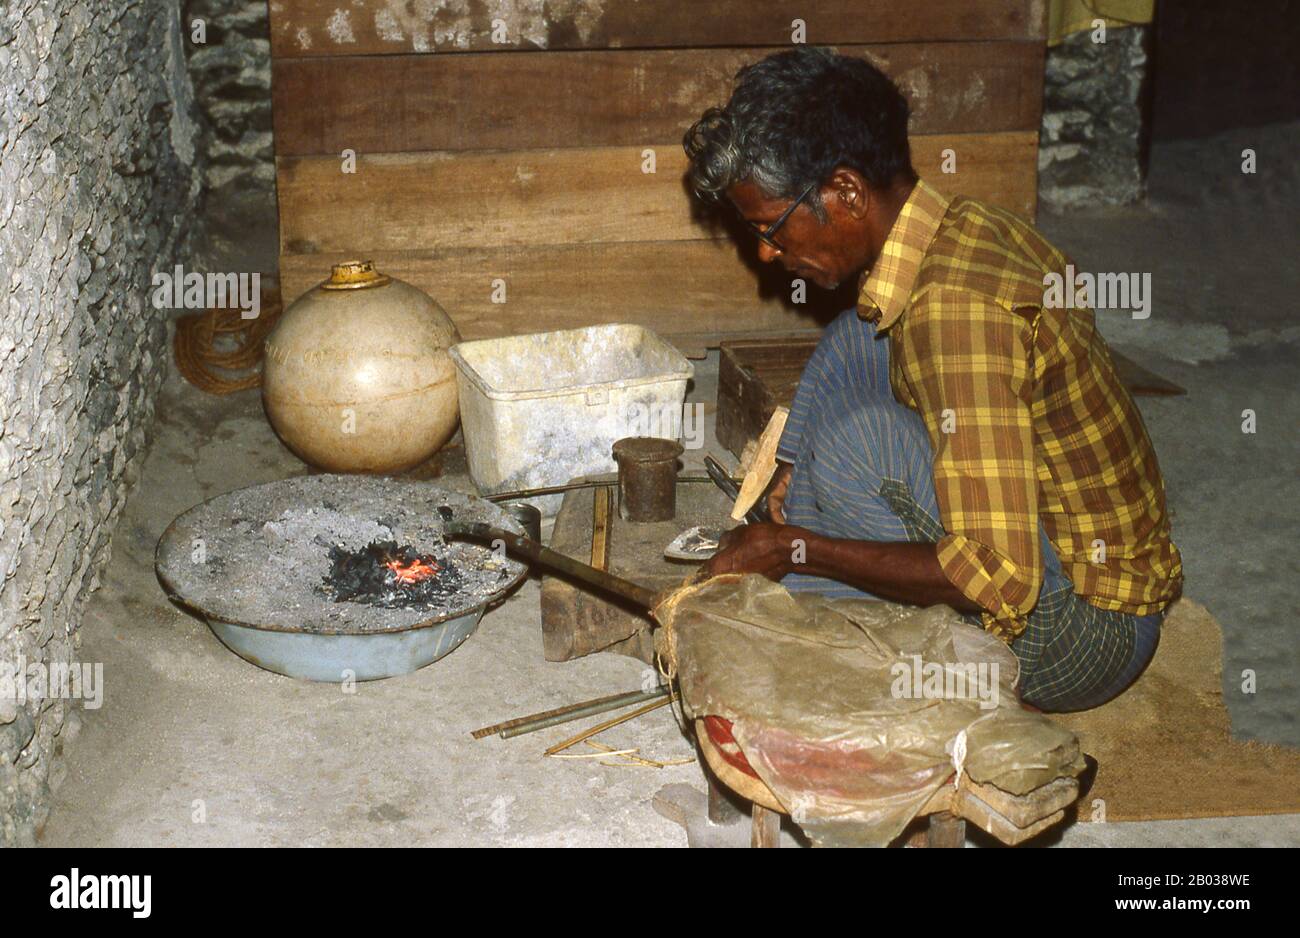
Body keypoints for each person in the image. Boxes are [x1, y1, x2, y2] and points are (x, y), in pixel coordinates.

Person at [682, 47, 1182, 712]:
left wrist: (797, 548)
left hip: (1084, 637)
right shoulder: (963, 227)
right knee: (862, 332)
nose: (767, 251)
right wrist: (788, 466)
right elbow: (865, 333)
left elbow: (997, 578)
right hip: (1072, 549)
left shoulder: (958, 313)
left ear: (848, 191)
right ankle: (800, 506)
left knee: (857, 453)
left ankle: (810, 546)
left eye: (771, 225)